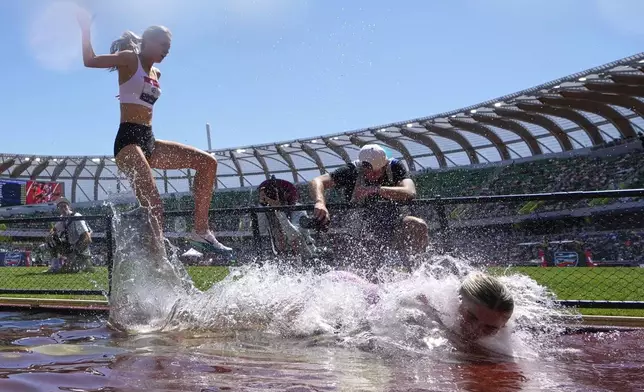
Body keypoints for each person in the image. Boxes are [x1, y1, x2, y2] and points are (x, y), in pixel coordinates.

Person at [77, 13, 231, 253]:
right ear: (147, 42)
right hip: (128, 141)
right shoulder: (129, 59)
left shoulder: (156, 74)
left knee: (208, 162)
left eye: (169, 46)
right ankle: (158, 257)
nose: (167, 50)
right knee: (154, 204)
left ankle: (200, 231)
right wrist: (85, 28)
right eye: (163, 44)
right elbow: (90, 60)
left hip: (148, 139)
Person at [309, 144, 428, 254]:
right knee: (355, 248)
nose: (372, 176)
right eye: (367, 172)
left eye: (376, 173)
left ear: (385, 165)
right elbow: (317, 181)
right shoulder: (352, 170)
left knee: (418, 225)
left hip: (394, 223)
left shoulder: (395, 166)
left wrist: (375, 189)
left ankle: (416, 269)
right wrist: (320, 202)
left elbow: (410, 191)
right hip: (360, 229)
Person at [256, 177, 318, 258]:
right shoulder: (268, 211)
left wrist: (278, 210)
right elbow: (261, 230)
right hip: (283, 258)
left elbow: (294, 235)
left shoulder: (299, 209)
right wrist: (261, 205)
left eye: (276, 193)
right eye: (269, 194)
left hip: (308, 257)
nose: (273, 196)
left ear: (286, 194)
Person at [46, 198, 94, 273]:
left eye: (64, 206)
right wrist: (50, 235)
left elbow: (87, 238)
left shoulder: (76, 216)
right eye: (60, 207)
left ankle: (84, 263)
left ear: (69, 207)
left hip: (81, 249)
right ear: (58, 209)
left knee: (70, 270)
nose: (63, 209)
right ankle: (55, 267)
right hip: (71, 247)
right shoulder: (62, 218)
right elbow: (54, 229)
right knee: (51, 241)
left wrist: (74, 255)